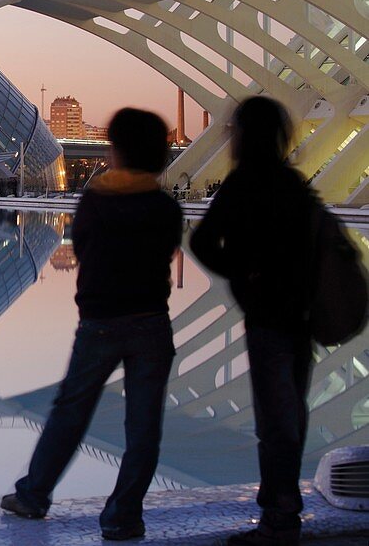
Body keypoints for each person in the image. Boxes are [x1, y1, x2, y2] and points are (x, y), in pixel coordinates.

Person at [0, 108, 181, 542]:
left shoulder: (96, 200)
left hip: (100, 322)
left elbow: (80, 244)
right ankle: (123, 515)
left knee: (71, 411)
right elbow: (167, 250)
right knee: (144, 425)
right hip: (151, 323)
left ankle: (34, 496)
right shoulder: (163, 206)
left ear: (116, 150)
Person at [190, 97, 315, 546]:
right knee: (292, 413)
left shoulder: (244, 183)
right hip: (300, 316)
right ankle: (284, 510)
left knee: (274, 419)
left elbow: (203, 242)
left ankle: (278, 519)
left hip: (267, 317)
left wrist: (243, 275)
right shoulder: (293, 183)